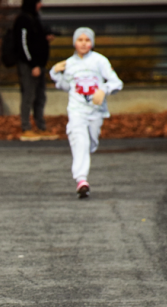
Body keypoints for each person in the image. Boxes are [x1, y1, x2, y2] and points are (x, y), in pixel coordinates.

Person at [49, 27, 123, 198]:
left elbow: (117, 83)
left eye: (87, 40)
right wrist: (54, 72)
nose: (83, 43)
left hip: (96, 112)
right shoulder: (70, 64)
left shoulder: (100, 61)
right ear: (74, 42)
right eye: (80, 40)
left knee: (90, 143)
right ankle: (81, 180)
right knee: (80, 140)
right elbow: (65, 85)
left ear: (92, 43)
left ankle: (83, 161)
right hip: (77, 111)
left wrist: (104, 89)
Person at [14, 0, 54, 141]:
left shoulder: (36, 18)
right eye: (38, 2)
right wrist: (33, 64)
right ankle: (26, 127)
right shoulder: (23, 20)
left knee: (40, 96)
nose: (40, 5)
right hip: (29, 66)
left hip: (39, 65)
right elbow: (23, 44)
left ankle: (41, 126)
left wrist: (46, 37)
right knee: (28, 96)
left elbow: (36, 38)